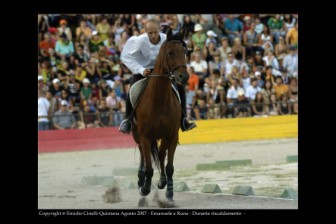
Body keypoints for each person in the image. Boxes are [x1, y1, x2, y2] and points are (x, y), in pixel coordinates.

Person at [118, 19, 196, 134]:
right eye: (150, 33)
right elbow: (125, 57)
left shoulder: (166, 39)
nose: (153, 36)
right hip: (143, 71)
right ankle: (128, 120)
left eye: (155, 32)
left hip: (163, 72)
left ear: (159, 30)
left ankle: (184, 120)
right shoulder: (138, 41)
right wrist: (141, 70)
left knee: (180, 88)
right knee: (132, 91)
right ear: (145, 32)